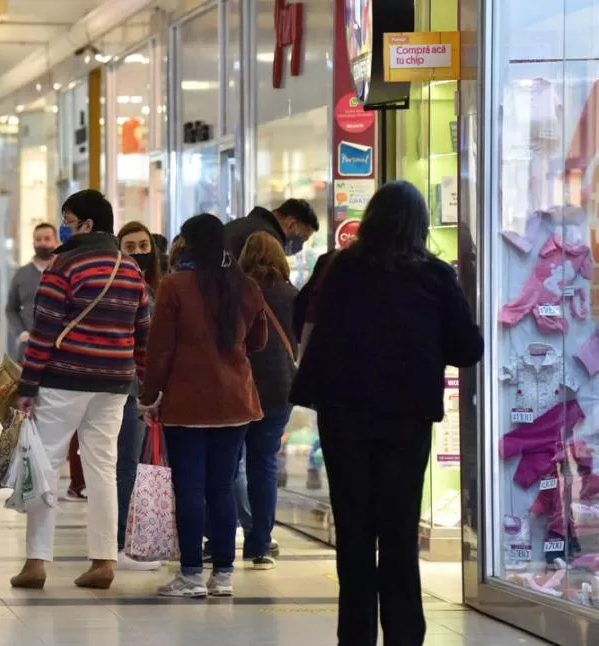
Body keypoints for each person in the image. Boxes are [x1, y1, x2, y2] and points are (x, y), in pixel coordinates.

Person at [289, 181, 483, 645]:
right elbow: (466, 348)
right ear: (419, 224)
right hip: (405, 419)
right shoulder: (434, 275)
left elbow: (303, 320)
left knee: (354, 532)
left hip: (343, 415)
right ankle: (404, 635)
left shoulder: (337, 268)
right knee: (397, 532)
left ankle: (354, 637)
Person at [11, 189, 150, 591]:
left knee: (46, 466)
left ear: (87, 224)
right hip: (114, 384)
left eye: (68, 220)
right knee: (102, 468)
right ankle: (104, 560)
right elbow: (143, 332)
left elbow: (45, 328)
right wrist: (139, 382)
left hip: (64, 381)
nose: (63, 228)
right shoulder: (130, 268)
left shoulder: (63, 266)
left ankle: (36, 562)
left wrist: (28, 383)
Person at [140, 213, 268, 599]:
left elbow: (159, 349)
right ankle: (223, 576)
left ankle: (192, 575)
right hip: (235, 402)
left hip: (187, 403)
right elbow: (259, 341)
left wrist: (149, 396)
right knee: (222, 488)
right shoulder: (245, 286)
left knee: (190, 490)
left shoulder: (175, 286)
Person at [236, 231, 297, 569]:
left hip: (239, 387)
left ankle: (217, 538)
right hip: (279, 388)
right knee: (265, 465)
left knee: (230, 464)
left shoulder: (238, 292)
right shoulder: (291, 294)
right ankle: (260, 544)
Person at [114, 221, 162, 571]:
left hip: (162, 390)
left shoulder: (165, 287)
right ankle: (122, 539)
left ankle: (151, 537)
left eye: (143, 245)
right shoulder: (117, 287)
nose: (138, 252)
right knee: (128, 464)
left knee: (154, 465)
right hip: (128, 389)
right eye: (129, 247)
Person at [7, 223, 59, 360]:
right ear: (33, 243)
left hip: (59, 347)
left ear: (56, 242)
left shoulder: (64, 271)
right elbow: (11, 309)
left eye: (47, 239)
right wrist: (21, 332)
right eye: (38, 239)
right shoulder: (21, 274)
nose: (43, 243)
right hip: (28, 348)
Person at [224, 198, 319, 258]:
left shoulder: (242, 224)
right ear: (292, 225)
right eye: (301, 239)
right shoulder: (268, 241)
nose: (300, 247)